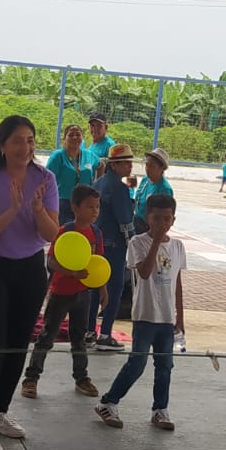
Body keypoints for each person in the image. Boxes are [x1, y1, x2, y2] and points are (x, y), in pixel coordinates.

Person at [0, 115, 59, 450]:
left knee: (17, 346)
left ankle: (0, 412)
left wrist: (36, 211)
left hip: (30, 269)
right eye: (18, 140)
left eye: (31, 140)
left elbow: (51, 234)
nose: (26, 147)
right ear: (3, 145)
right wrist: (12, 211)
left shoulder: (45, 179)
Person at [95, 193, 183, 431]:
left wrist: (180, 317)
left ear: (173, 220)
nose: (161, 223)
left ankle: (160, 409)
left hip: (166, 318)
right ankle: (108, 402)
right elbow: (144, 272)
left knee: (165, 366)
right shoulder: (138, 243)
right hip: (145, 315)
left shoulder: (177, 246)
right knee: (137, 362)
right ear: (147, 218)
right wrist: (156, 242)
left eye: (167, 219)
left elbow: (177, 282)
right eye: (156, 218)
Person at [23, 184, 104, 400]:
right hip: (61, 293)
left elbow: (98, 264)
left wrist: (103, 289)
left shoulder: (96, 234)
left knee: (79, 337)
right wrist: (72, 272)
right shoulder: (64, 232)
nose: (95, 211)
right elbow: (51, 262)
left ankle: (82, 378)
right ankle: (31, 378)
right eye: (90, 206)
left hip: (83, 294)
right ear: (75, 208)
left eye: (97, 207)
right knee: (47, 335)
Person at [90, 144, 137, 353]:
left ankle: (89, 330)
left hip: (97, 242)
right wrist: (133, 244)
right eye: (125, 163)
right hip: (115, 245)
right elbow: (125, 221)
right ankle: (105, 334)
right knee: (114, 288)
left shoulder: (99, 183)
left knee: (94, 286)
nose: (129, 166)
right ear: (115, 165)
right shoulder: (119, 188)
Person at [46, 124, 95, 224]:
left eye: (78, 134)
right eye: (71, 135)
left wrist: (96, 185)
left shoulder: (88, 155)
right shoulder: (57, 156)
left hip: (85, 203)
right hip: (64, 204)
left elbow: (100, 165)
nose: (75, 137)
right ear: (64, 138)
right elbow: (46, 180)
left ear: (82, 137)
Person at [133, 148, 174, 233]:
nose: (147, 169)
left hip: (149, 229)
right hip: (137, 222)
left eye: (152, 166)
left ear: (161, 168)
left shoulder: (164, 189)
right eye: (146, 165)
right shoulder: (145, 180)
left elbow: (164, 217)